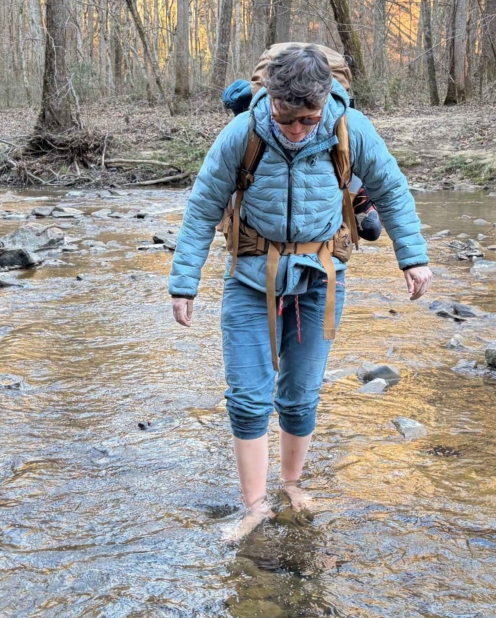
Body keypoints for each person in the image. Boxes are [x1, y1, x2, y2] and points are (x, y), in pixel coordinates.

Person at [171, 43, 432, 542]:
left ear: (325, 100)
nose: (295, 131)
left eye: (306, 120)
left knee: (300, 397)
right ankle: (254, 506)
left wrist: (413, 256)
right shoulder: (242, 133)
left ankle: (291, 484)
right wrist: (184, 282)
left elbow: (393, 191)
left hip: (320, 280)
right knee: (248, 399)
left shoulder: (351, 131)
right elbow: (203, 204)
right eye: (286, 118)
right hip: (249, 280)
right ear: (270, 99)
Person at [222, 79, 384, 243]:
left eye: (308, 119)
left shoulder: (347, 126)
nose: (296, 128)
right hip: (258, 243)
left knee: (371, 228)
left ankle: (356, 200)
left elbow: (391, 186)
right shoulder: (245, 129)